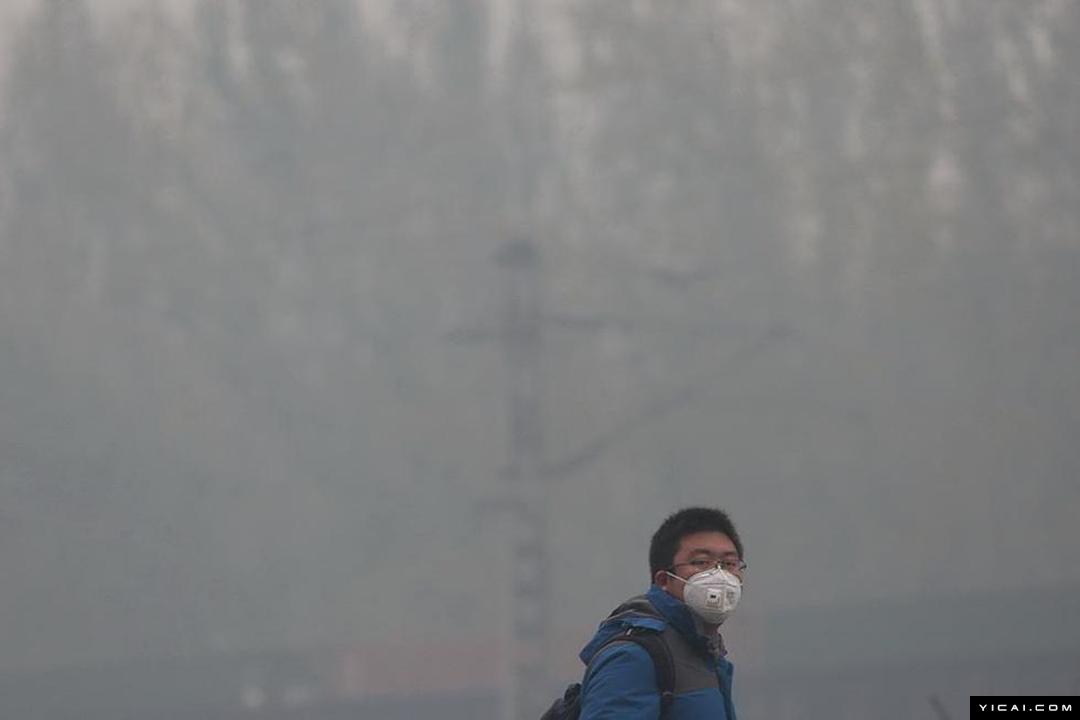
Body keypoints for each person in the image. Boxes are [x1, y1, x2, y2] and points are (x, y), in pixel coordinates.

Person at [578, 507, 745, 719]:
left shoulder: (705, 655)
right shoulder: (635, 657)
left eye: (729, 564)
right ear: (664, 580)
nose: (719, 575)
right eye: (701, 562)